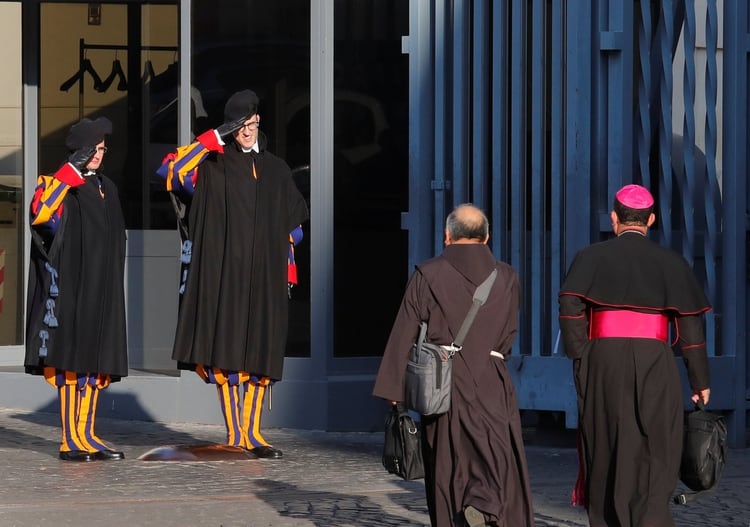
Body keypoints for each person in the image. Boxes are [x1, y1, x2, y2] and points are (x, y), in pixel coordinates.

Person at [157, 89, 309, 459]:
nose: (247, 130)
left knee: (260, 355)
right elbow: (170, 171)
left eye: (252, 123)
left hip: (267, 277)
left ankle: (255, 432)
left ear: (259, 123)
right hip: (226, 274)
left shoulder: (275, 167)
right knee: (229, 356)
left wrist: (285, 241)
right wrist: (213, 138)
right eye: (240, 125)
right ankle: (237, 432)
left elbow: (297, 221)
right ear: (230, 127)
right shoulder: (214, 164)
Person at [558, 184, 711, 527]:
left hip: (602, 361)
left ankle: (607, 518)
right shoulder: (671, 262)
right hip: (655, 362)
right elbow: (691, 330)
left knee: (604, 443)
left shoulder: (590, 257)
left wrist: (581, 353)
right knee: (656, 445)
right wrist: (700, 381)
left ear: (614, 218)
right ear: (651, 220)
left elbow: (570, 304)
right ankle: (651, 517)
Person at [373, 204, 534, 527]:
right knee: (496, 453)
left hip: (443, 382)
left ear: (447, 236)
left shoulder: (428, 274)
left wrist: (395, 389)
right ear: (487, 237)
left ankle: (465, 508)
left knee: (448, 458)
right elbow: (509, 333)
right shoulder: (506, 276)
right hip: (492, 379)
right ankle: (487, 504)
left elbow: (403, 332)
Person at [25, 117, 128, 462]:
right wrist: (69, 171)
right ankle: (71, 439)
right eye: (93, 149)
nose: (98, 154)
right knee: (73, 365)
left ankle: (87, 433)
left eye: (101, 149)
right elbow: (40, 216)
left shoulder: (106, 187)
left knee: (95, 366)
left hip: (103, 289)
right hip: (71, 289)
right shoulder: (56, 185)